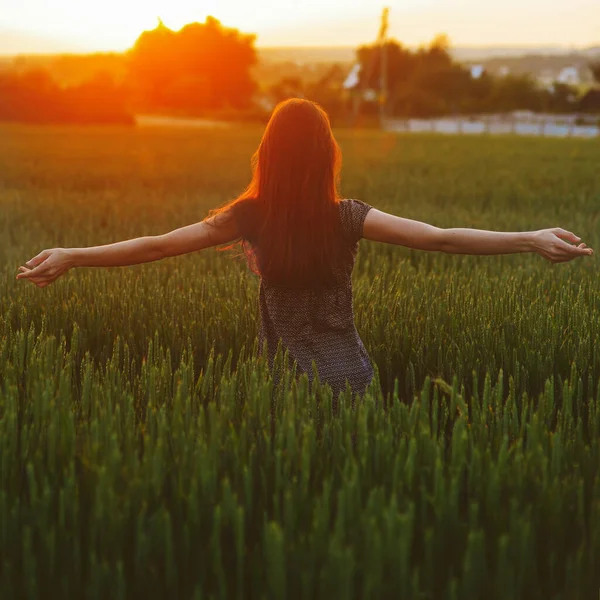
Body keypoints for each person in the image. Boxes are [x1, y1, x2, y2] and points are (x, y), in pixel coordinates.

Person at [16, 98, 594, 397]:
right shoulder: (348, 217)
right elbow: (438, 238)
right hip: (352, 376)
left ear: (267, 154)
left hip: (286, 383)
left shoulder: (250, 216)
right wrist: (530, 238)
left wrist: (74, 254)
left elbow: (155, 247)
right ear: (326, 156)